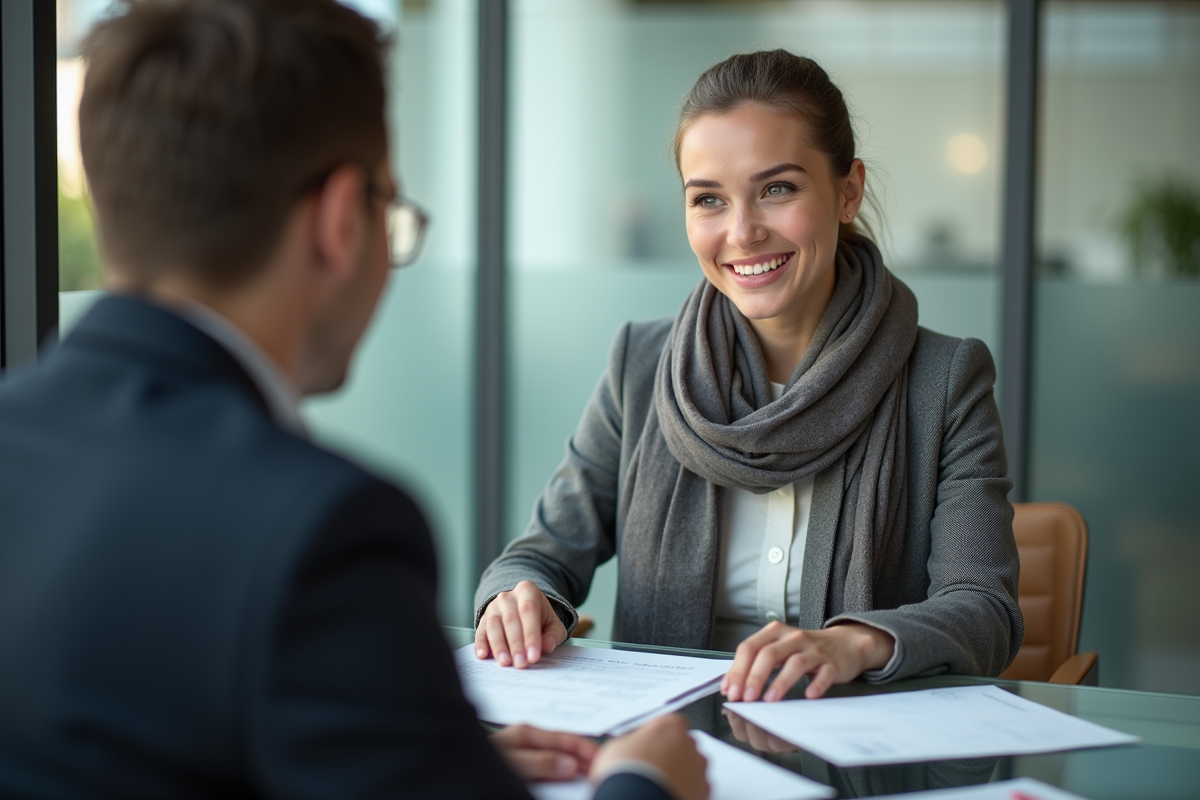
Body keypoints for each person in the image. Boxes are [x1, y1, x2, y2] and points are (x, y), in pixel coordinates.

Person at [0, 2, 707, 798]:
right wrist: (645, 784)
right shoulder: (320, 531)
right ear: (342, 220)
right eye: (390, 210)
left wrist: (427, 758)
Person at [475, 50, 1023, 704]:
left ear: (847, 191)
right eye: (708, 199)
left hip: (853, 750)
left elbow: (983, 607)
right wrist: (515, 599)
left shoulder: (945, 381)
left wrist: (853, 643)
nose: (742, 232)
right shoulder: (641, 366)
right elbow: (540, 555)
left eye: (778, 189)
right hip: (674, 747)